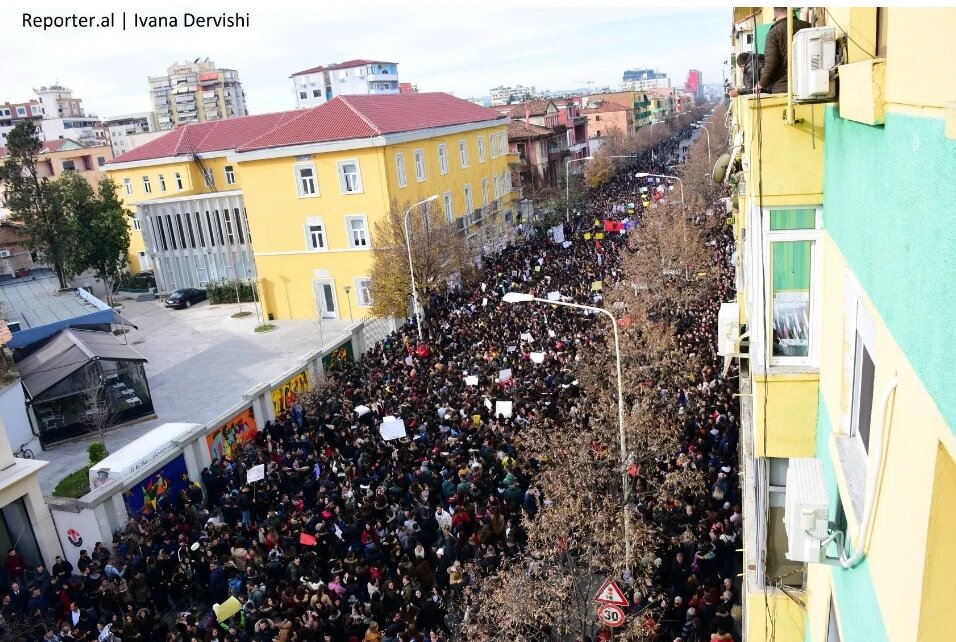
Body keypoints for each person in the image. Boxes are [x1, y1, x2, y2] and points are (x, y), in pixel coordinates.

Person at [756, 7, 812, 94]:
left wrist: (761, 84)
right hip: (809, 84)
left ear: (775, 14)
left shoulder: (773, 33)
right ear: (791, 10)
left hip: (784, 88)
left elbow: (771, 64)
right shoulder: (808, 26)